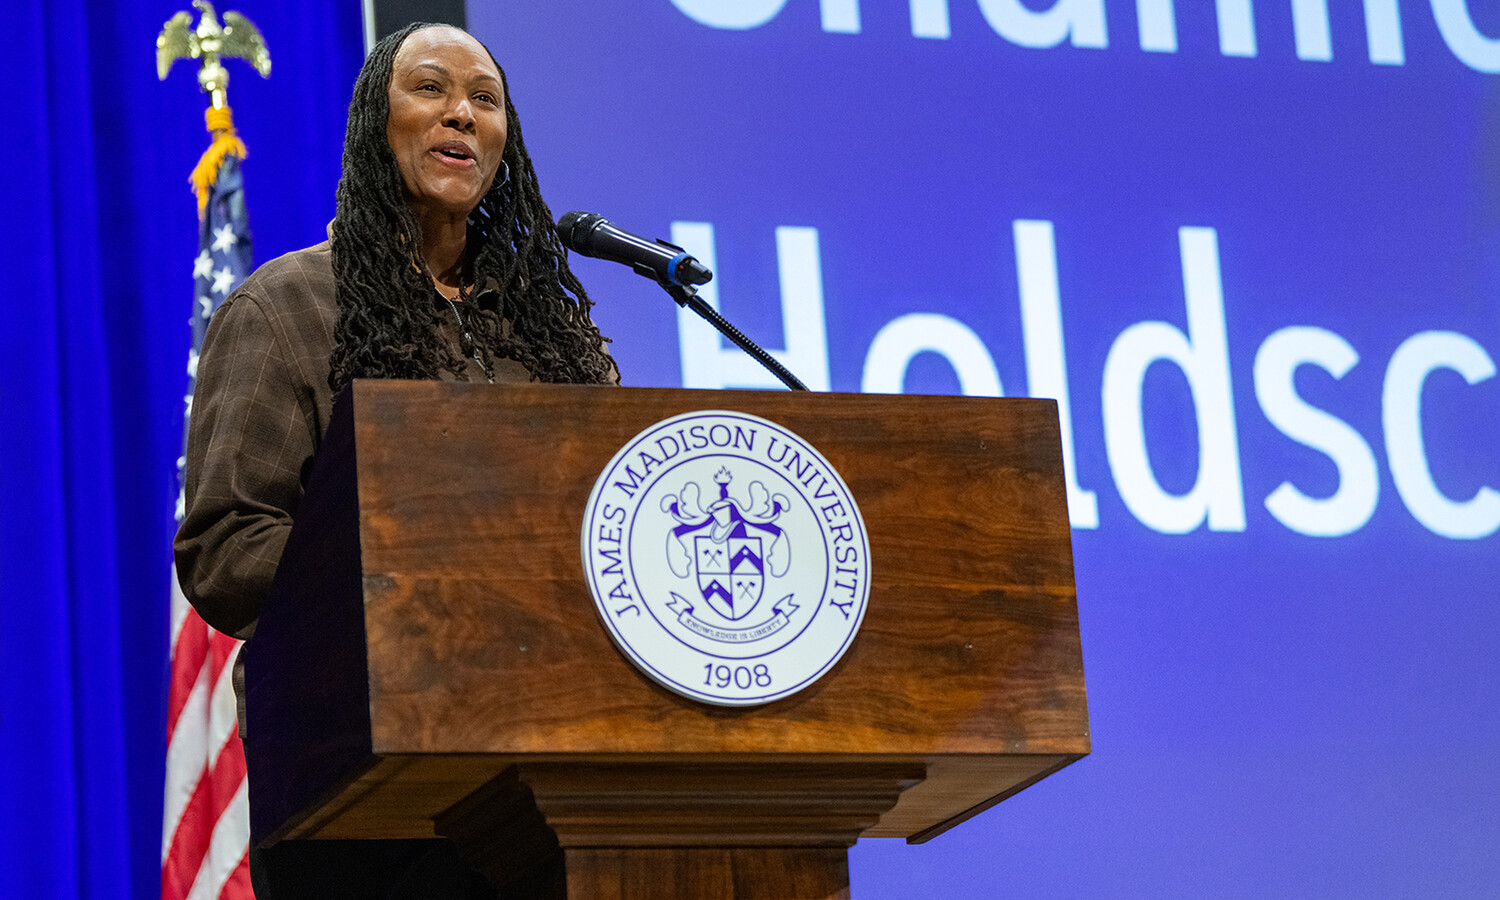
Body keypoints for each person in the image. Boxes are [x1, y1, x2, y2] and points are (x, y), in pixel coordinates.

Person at [174, 22, 615, 899]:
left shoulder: (552, 340)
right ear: (376, 124)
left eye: (484, 101)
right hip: (361, 790)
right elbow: (224, 547)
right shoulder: (285, 311)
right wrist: (408, 578)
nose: (461, 113)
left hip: (552, 779)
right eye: (431, 89)